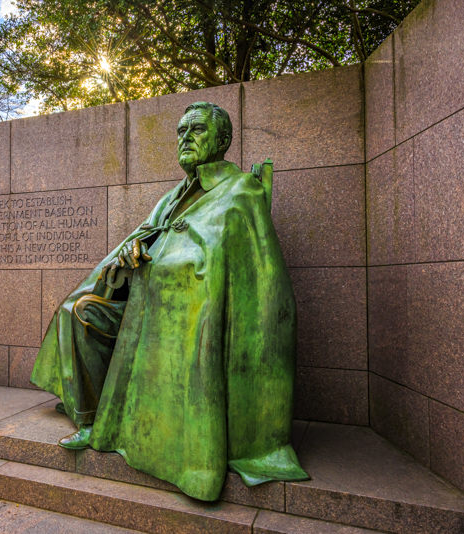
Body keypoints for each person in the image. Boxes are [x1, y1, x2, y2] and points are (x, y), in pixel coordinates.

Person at [31, 101, 309, 502]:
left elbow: (233, 267)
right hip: (140, 308)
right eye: (181, 131)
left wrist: (166, 267)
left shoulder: (241, 191)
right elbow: (142, 238)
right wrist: (129, 257)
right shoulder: (171, 197)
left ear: (223, 139)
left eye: (196, 130)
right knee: (79, 312)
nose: (185, 138)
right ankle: (90, 418)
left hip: (192, 315)